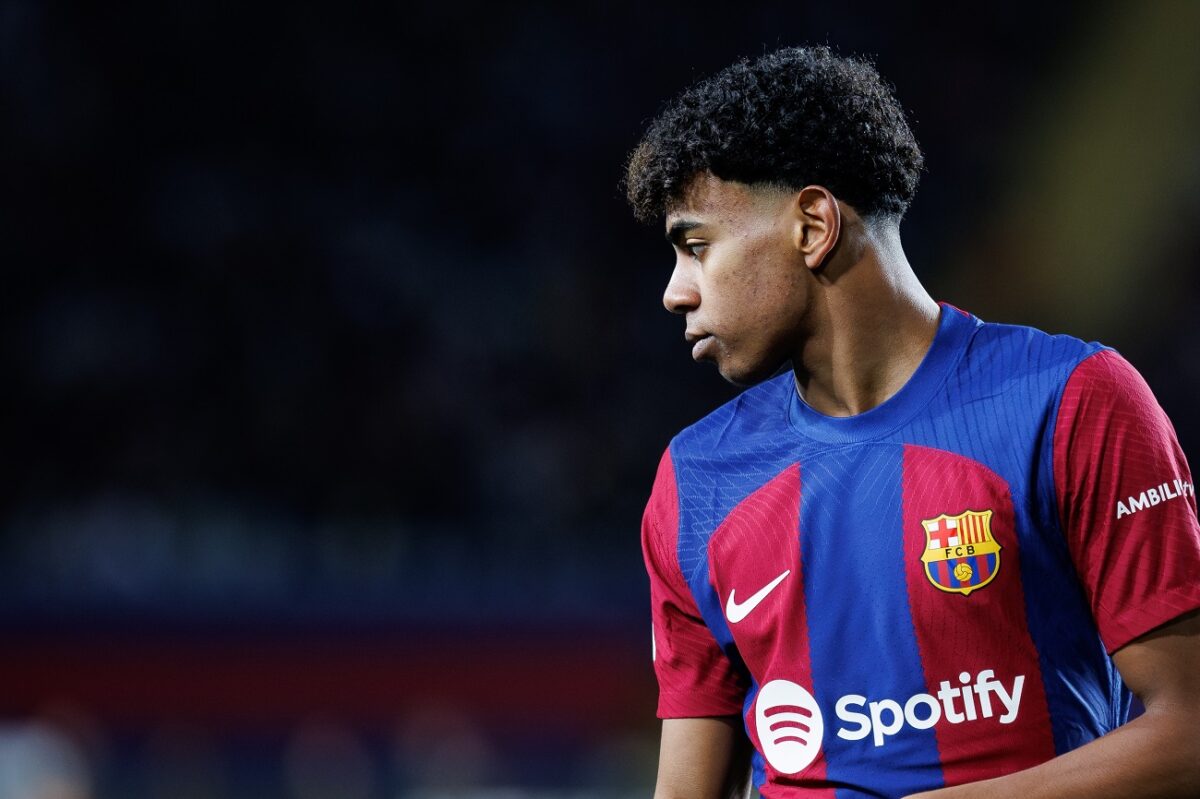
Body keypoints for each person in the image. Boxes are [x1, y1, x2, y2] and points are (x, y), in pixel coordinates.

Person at [624, 46, 1200, 799]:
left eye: (697, 247)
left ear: (813, 226)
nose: (676, 291)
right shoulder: (696, 480)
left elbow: (1188, 735)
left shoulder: (1072, 402)